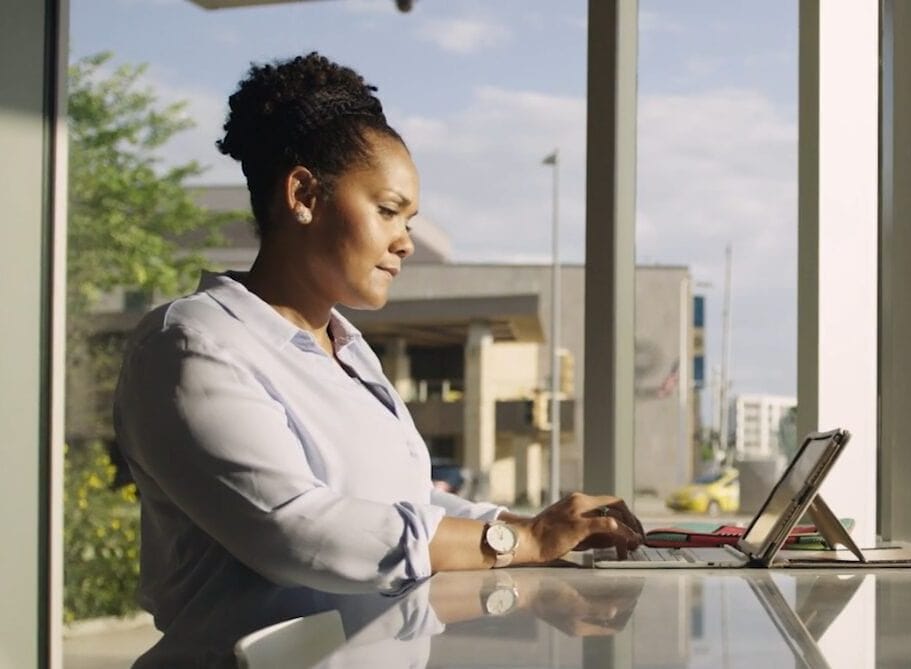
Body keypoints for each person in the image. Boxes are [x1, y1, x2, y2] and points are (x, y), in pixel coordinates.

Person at [113, 52, 644, 664]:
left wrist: (529, 525)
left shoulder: (345, 347)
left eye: (410, 219)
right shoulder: (190, 345)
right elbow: (301, 533)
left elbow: (404, 500)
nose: (406, 241)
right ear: (304, 194)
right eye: (389, 211)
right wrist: (520, 540)